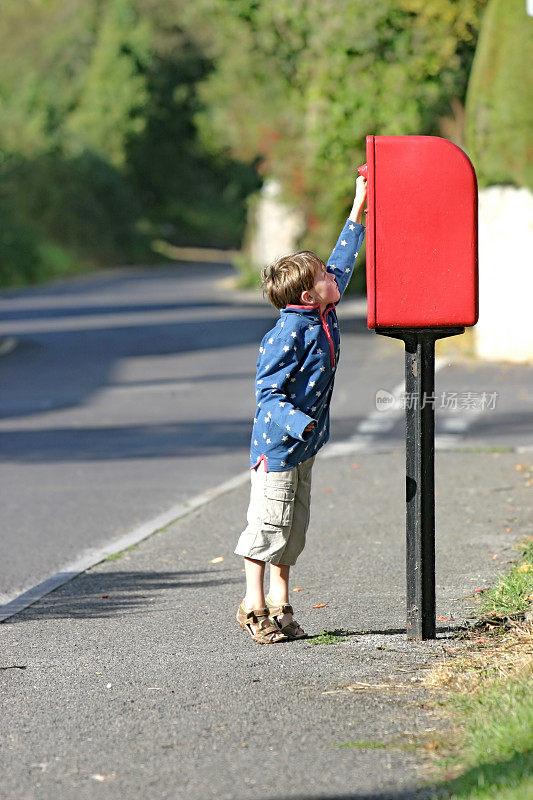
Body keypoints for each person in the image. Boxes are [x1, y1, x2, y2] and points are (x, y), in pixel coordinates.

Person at [235, 173, 367, 644]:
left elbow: (343, 262)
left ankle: (281, 603)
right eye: (325, 278)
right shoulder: (287, 332)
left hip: (305, 445)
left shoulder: (323, 312)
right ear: (307, 295)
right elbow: (266, 394)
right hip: (278, 446)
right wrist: (301, 421)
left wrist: (359, 207)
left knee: (292, 528)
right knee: (267, 524)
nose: (335, 278)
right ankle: (253, 605)